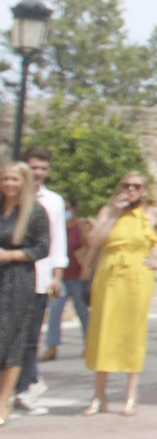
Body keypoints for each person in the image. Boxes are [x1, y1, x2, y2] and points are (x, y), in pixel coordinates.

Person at [82, 171, 157, 416]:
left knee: (132, 331)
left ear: (144, 191)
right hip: (109, 273)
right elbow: (95, 241)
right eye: (126, 185)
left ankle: (131, 394)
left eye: (136, 186)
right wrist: (114, 213)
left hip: (136, 277)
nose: (131, 190)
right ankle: (99, 394)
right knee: (103, 330)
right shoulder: (108, 211)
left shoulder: (153, 214)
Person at [14, 147, 67, 416]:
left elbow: (58, 240)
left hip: (39, 277)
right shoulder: (9, 196)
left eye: (43, 169)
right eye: (34, 167)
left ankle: (22, 389)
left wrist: (57, 276)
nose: (38, 173)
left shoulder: (53, 201)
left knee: (30, 337)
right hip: (9, 277)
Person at [0, 162, 50, 425]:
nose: (9, 184)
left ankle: (4, 401)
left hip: (17, 280)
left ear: (24, 182)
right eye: (5, 178)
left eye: (14, 180)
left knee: (11, 340)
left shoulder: (34, 212)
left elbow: (42, 248)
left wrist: (9, 255)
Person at [41, 200, 91, 362]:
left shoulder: (81, 227)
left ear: (74, 209)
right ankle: (51, 347)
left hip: (78, 277)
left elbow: (92, 248)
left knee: (82, 312)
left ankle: (89, 345)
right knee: (54, 312)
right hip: (59, 278)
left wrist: (87, 269)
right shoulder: (56, 228)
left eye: (67, 208)